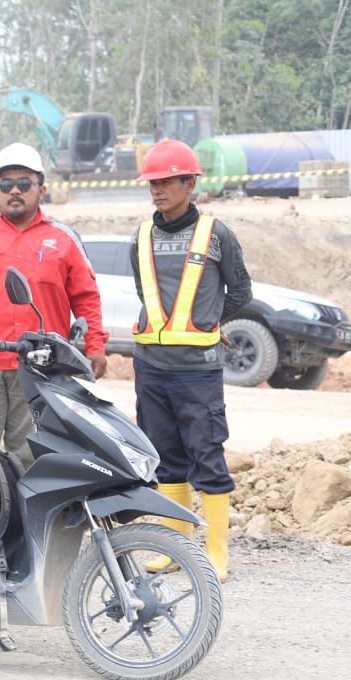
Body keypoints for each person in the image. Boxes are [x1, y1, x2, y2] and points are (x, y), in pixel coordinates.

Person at [0, 143, 108, 461]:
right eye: (6, 184)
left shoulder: (63, 239)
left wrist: (94, 344)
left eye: (24, 183)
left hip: (39, 368)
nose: (15, 191)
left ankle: (25, 512)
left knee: (31, 456)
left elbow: (86, 297)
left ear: (41, 189)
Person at [130, 140, 251, 581]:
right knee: (166, 459)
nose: (157, 190)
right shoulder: (141, 236)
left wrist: (206, 324)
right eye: (152, 183)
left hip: (198, 372)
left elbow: (240, 293)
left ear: (189, 182)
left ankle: (216, 553)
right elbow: (145, 293)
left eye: (165, 182)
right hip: (151, 368)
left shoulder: (216, 234)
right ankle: (176, 549)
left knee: (207, 456)